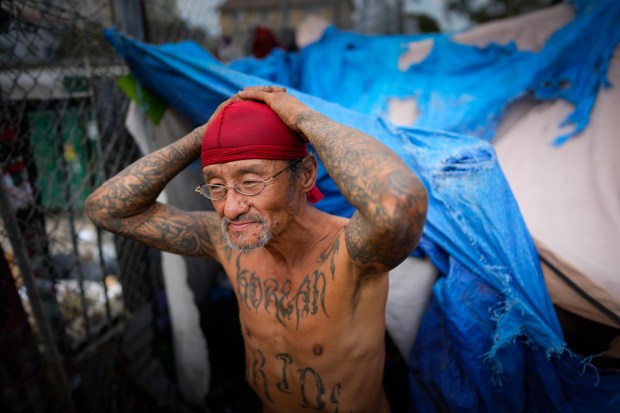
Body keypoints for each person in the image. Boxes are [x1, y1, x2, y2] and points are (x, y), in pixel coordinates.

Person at [85, 86, 428, 413]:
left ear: (306, 175)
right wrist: (202, 137)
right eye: (216, 187)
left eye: (250, 183)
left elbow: (399, 203)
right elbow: (107, 210)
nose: (231, 208)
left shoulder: (353, 253)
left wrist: (303, 118)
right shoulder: (227, 243)